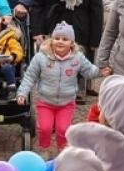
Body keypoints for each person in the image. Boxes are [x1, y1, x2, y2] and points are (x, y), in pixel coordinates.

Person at [17, 21, 100, 151]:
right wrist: (22, 93)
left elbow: (89, 71)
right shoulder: (41, 57)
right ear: (51, 40)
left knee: (63, 129)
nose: (60, 42)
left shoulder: (77, 58)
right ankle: (43, 149)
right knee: (45, 128)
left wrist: (100, 70)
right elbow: (29, 76)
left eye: (65, 39)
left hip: (66, 102)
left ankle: (63, 151)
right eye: (56, 38)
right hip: (46, 101)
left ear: (72, 43)